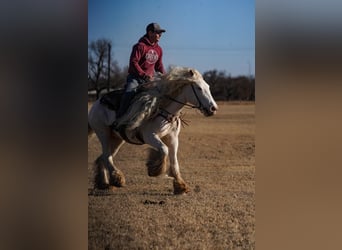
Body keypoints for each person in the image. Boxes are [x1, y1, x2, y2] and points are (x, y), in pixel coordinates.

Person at [114, 22, 166, 130]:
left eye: (161, 33)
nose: (160, 35)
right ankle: (118, 120)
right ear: (150, 32)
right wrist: (143, 74)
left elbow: (159, 66)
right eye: (157, 33)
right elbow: (133, 62)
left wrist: (166, 77)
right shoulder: (139, 46)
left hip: (149, 81)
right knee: (129, 93)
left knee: (160, 96)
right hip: (135, 78)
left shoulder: (159, 49)